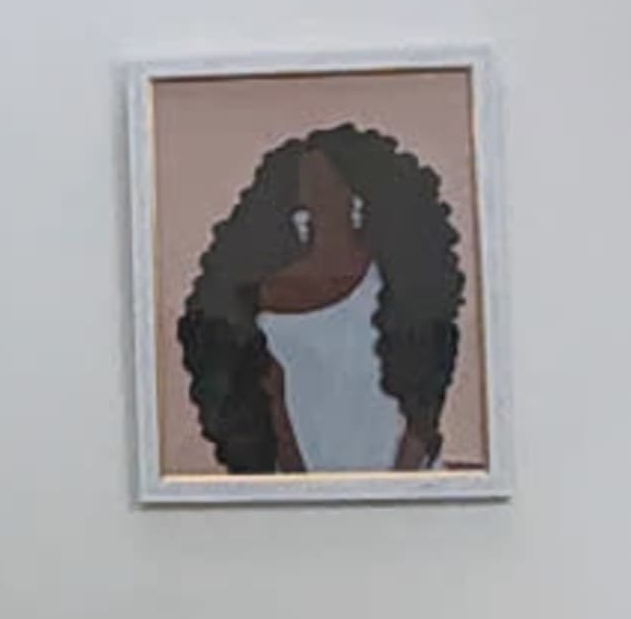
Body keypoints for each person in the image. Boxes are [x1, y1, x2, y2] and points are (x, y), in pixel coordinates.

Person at [175, 122, 464, 476]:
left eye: (328, 182)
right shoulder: (262, 291)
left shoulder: (399, 283)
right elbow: (269, 404)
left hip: (403, 482)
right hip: (302, 489)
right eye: (307, 183)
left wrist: (398, 482)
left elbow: (425, 398)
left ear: (358, 191)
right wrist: (298, 484)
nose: (314, 192)